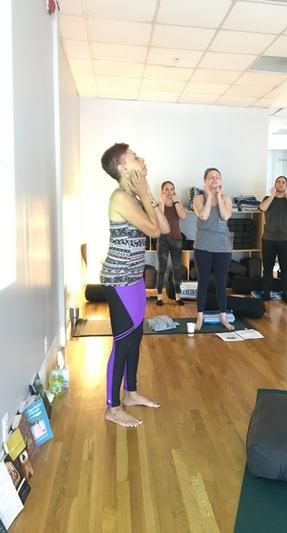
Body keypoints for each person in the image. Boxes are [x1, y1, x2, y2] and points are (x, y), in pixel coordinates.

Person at [100, 143, 170, 428]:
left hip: (134, 277)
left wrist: (147, 193)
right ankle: (112, 407)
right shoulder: (119, 197)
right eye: (134, 156)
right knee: (122, 342)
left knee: (136, 336)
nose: (142, 159)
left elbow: (165, 228)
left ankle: (130, 393)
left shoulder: (134, 197)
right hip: (118, 280)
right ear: (122, 167)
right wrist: (144, 194)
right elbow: (153, 231)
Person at [193, 167, 234, 331]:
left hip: (223, 247)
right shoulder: (198, 198)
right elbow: (203, 216)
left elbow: (225, 216)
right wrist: (209, 196)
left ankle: (223, 317)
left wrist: (218, 196)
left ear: (220, 181)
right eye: (211, 177)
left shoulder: (226, 198)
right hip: (203, 246)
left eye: (217, 177)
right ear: (205, 181)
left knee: (221, 283)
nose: (214, 179)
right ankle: (200, 317)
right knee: (203, 281)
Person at [259, 176, 287, 304]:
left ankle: (285, 294)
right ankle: (266, 293)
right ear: (275, 184)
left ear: (286, 186)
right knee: (267, 268)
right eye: (278, 182)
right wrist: (273, 195)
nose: (281, 184)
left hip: (285, 240)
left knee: (285, 269)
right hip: (268, 239)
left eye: (283, 182)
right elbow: (262, 208)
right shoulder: (267, 198)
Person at [156, 180, 187, 306]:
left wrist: (176, 201)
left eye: (171, 189)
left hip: (176, 239)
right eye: (166, 189)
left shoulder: (178, 204)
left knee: (177, 268)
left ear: (174, 191)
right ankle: (159, 297)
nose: (169, 191)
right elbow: (161, 217)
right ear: (162, 191)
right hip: (163, 240)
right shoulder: (158, 205)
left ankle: (178, 296)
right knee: (162, 268)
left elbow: (183, 216)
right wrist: (163, 201)